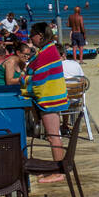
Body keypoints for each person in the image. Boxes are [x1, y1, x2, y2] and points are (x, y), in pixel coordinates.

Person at [23, 23, 69, 182]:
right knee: (52, 136)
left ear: (40, 36)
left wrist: (24, 86)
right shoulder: (47, 50)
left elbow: (38, 79)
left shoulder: (47, 52)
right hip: (50, 98)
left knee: (53, 136)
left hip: (50, 100)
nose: (30, 37)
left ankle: (59, 172)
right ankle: (54, 169)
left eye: (32, 35)